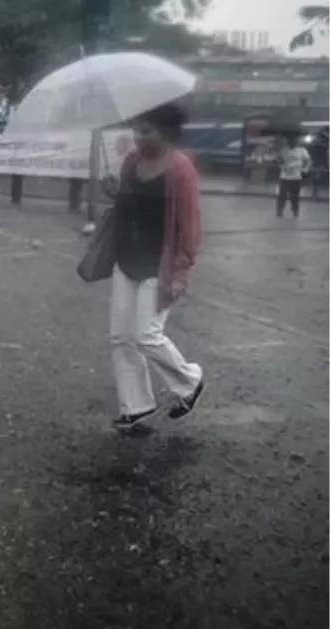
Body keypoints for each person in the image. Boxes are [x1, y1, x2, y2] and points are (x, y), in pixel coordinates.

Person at [108, 103, 206, 433]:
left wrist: (181, 272)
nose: (137, 137)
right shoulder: (132, 162)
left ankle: (189, 382)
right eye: (136, 130)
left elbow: (190, 228)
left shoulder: (181, 169)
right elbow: (124, 208)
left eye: (145, 131)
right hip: (127, 259)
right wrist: (114, 192)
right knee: (121, 337)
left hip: (159, 265)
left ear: (164, 132)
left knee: (147, 336)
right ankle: (135, 407)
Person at [276, 134, 312, 218]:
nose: (292, 142)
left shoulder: (302, 150)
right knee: (282, 195)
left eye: (293, 141)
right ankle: (280, 211)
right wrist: (281, 165)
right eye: (290, 141)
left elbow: (308, 161)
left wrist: (304, 170)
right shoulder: (284, 150)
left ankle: (295, 211)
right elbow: (279, 161)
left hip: (296, 177)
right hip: (285, 176)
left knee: (295, 196)